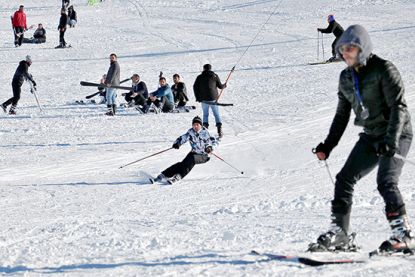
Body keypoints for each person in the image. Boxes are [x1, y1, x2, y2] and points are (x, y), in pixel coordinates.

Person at [310, 25, 414, 254]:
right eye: (342, 49)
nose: (345, 53)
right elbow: (341, 115)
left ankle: (404, 235)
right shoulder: (345, 77)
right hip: (370, 135)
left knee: (386, 181)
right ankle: (340, 234)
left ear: (362, 48)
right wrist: (327, 146)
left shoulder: (384, 69)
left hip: (397, 133)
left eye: (350, 48)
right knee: (344, 178)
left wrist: (391, 139)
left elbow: (399, 108)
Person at [151, 116, 217, 184]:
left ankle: (178, 176)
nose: (195, 126)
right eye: (194, 125)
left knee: (192, 160)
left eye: (197, 125)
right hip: (194, 153)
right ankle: (164, 175)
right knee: (182, 164)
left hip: (204, 155)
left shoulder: (205, 133)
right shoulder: (191, 132)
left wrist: (208, 148)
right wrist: (177, 143)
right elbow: (184, 137)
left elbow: (209, 142)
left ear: (201, 125)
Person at [193, 64, 226, 138]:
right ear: (210, 69)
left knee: (205, 114)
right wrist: (224, 85)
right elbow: (220, 86)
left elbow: (195, 87)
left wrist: (197, 97)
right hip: (213, 98)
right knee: (216, 114)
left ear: (203, 69)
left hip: (203, 99)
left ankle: (205, 130)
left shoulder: (199, 77)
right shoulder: (214, 76)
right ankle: (219, 130)